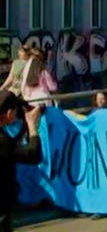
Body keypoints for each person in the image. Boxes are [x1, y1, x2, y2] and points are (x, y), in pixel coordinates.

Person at [1, 92, 43, 232]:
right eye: (15, 111)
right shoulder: (3, 142)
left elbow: (12, 147)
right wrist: (32, 125)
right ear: (8, 113)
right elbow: (33, 155)